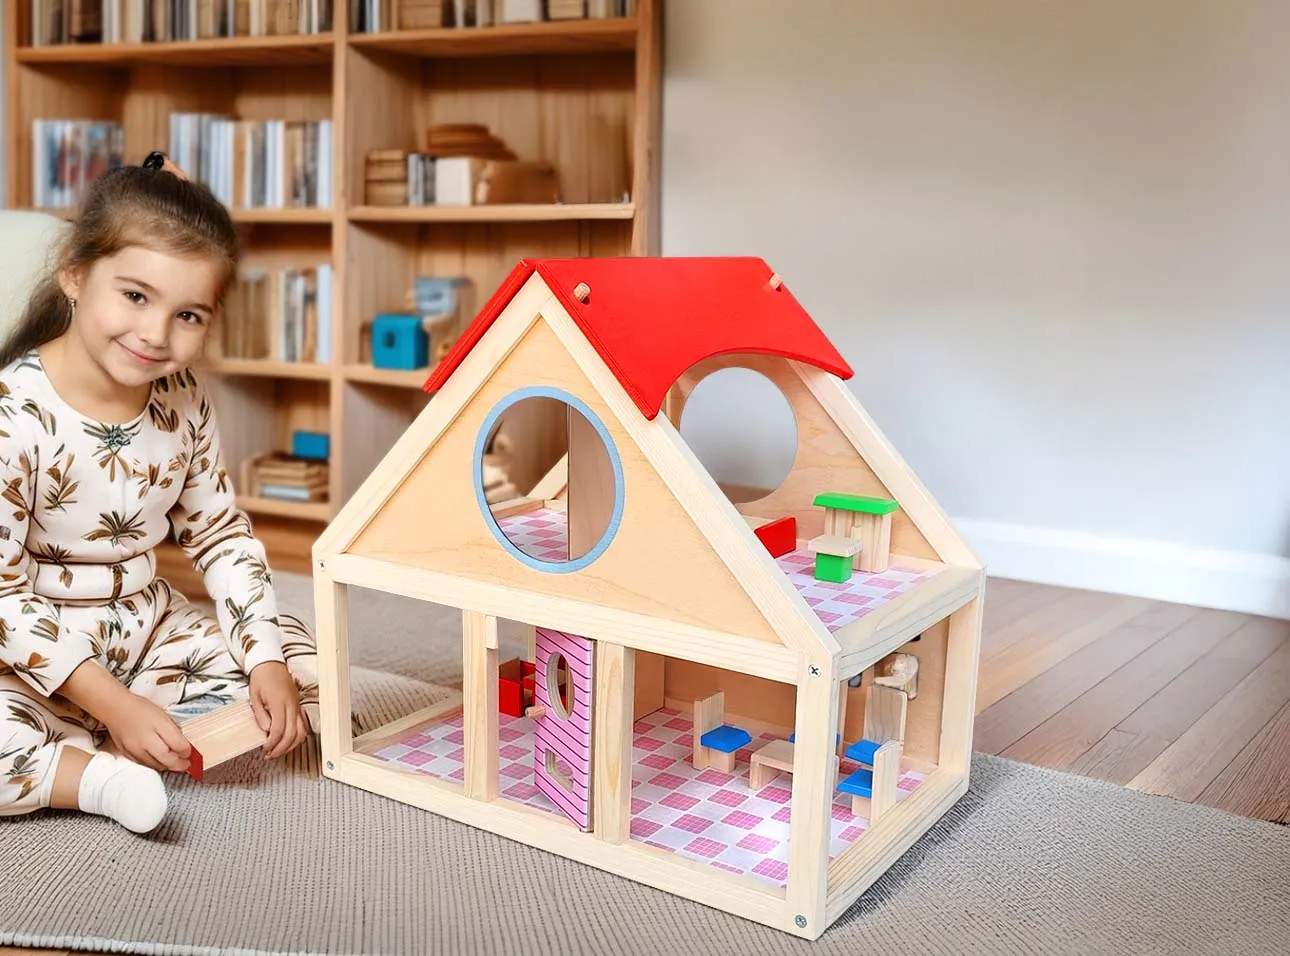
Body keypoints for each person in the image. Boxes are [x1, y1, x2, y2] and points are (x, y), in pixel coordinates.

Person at [0, 152, 319, 834]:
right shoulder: (12, 414)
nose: (155, 334)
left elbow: (221, 536)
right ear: (75, 274)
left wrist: (265, 661)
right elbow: (3, 600)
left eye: (189, 315)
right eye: (136, 296)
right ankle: (91, 776)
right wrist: (112, 704)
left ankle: (114, 742)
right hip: (29, 659)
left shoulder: (184, 400)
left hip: (146, 635)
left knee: (305, 668)